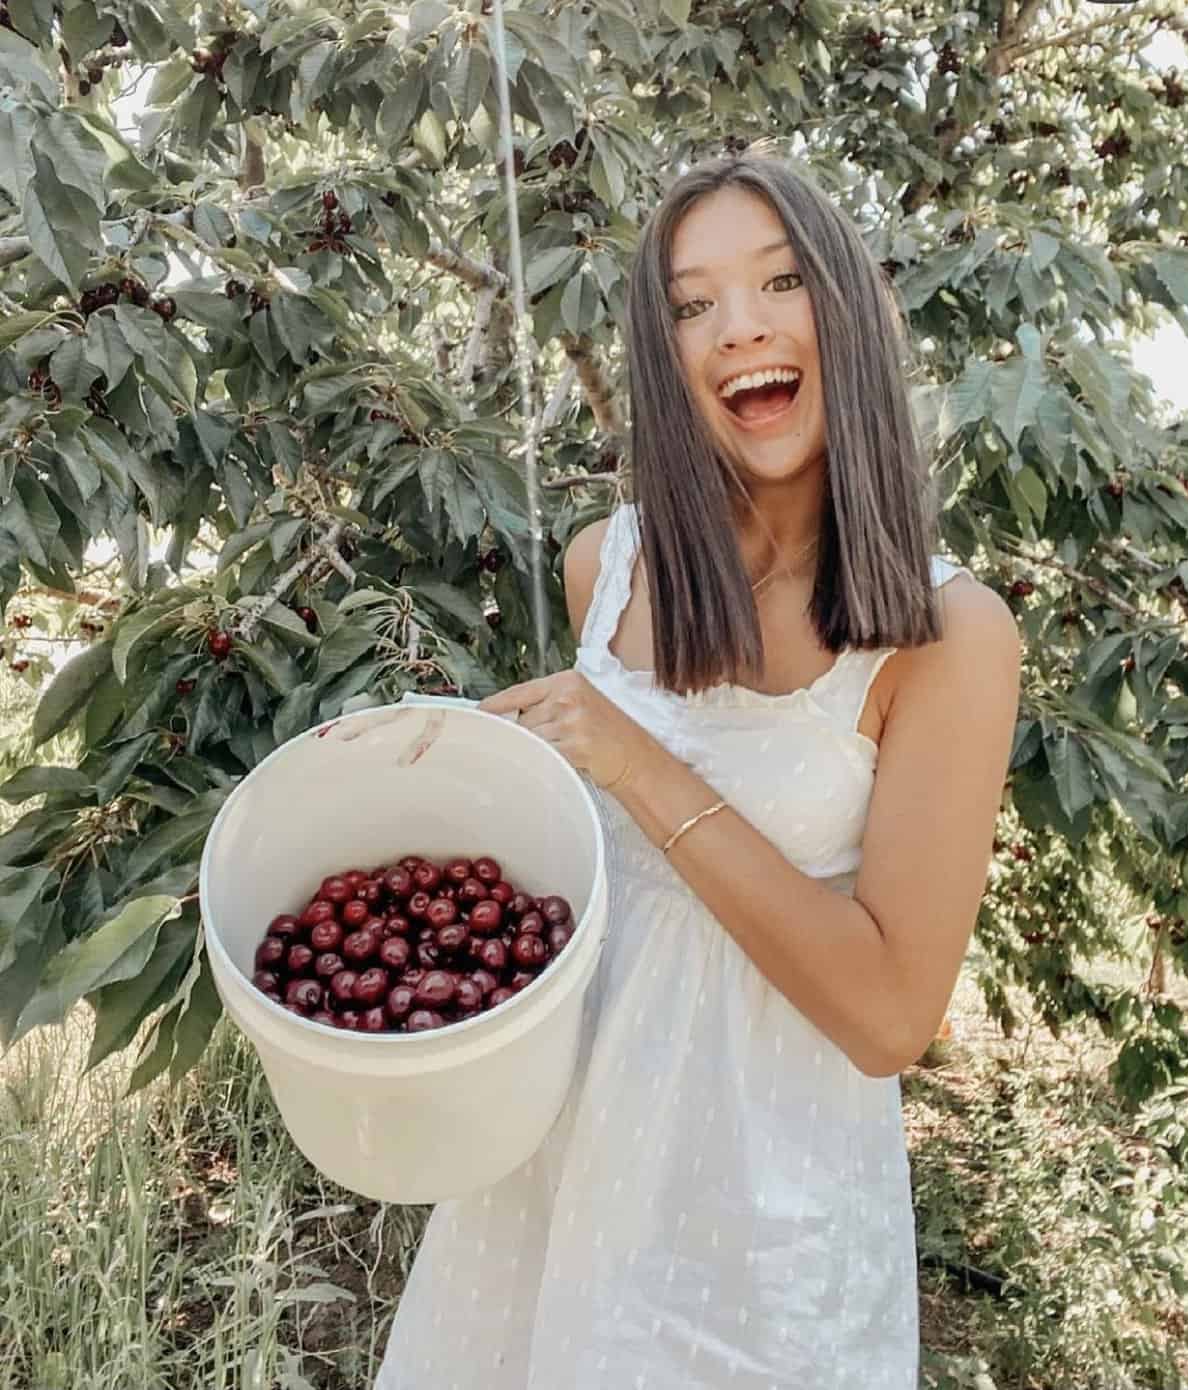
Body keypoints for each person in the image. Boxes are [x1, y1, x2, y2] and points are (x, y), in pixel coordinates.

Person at [375, 152, 1021, 1388]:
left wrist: (636, 765)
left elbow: (890, 1014)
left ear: (849, 313)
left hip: (768, 1224)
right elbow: (580, 888)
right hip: (556, 1177)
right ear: (662, 352)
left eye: (781, 281)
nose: (742, 328)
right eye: (692, 301)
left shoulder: (948, 634)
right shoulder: (601, 568)